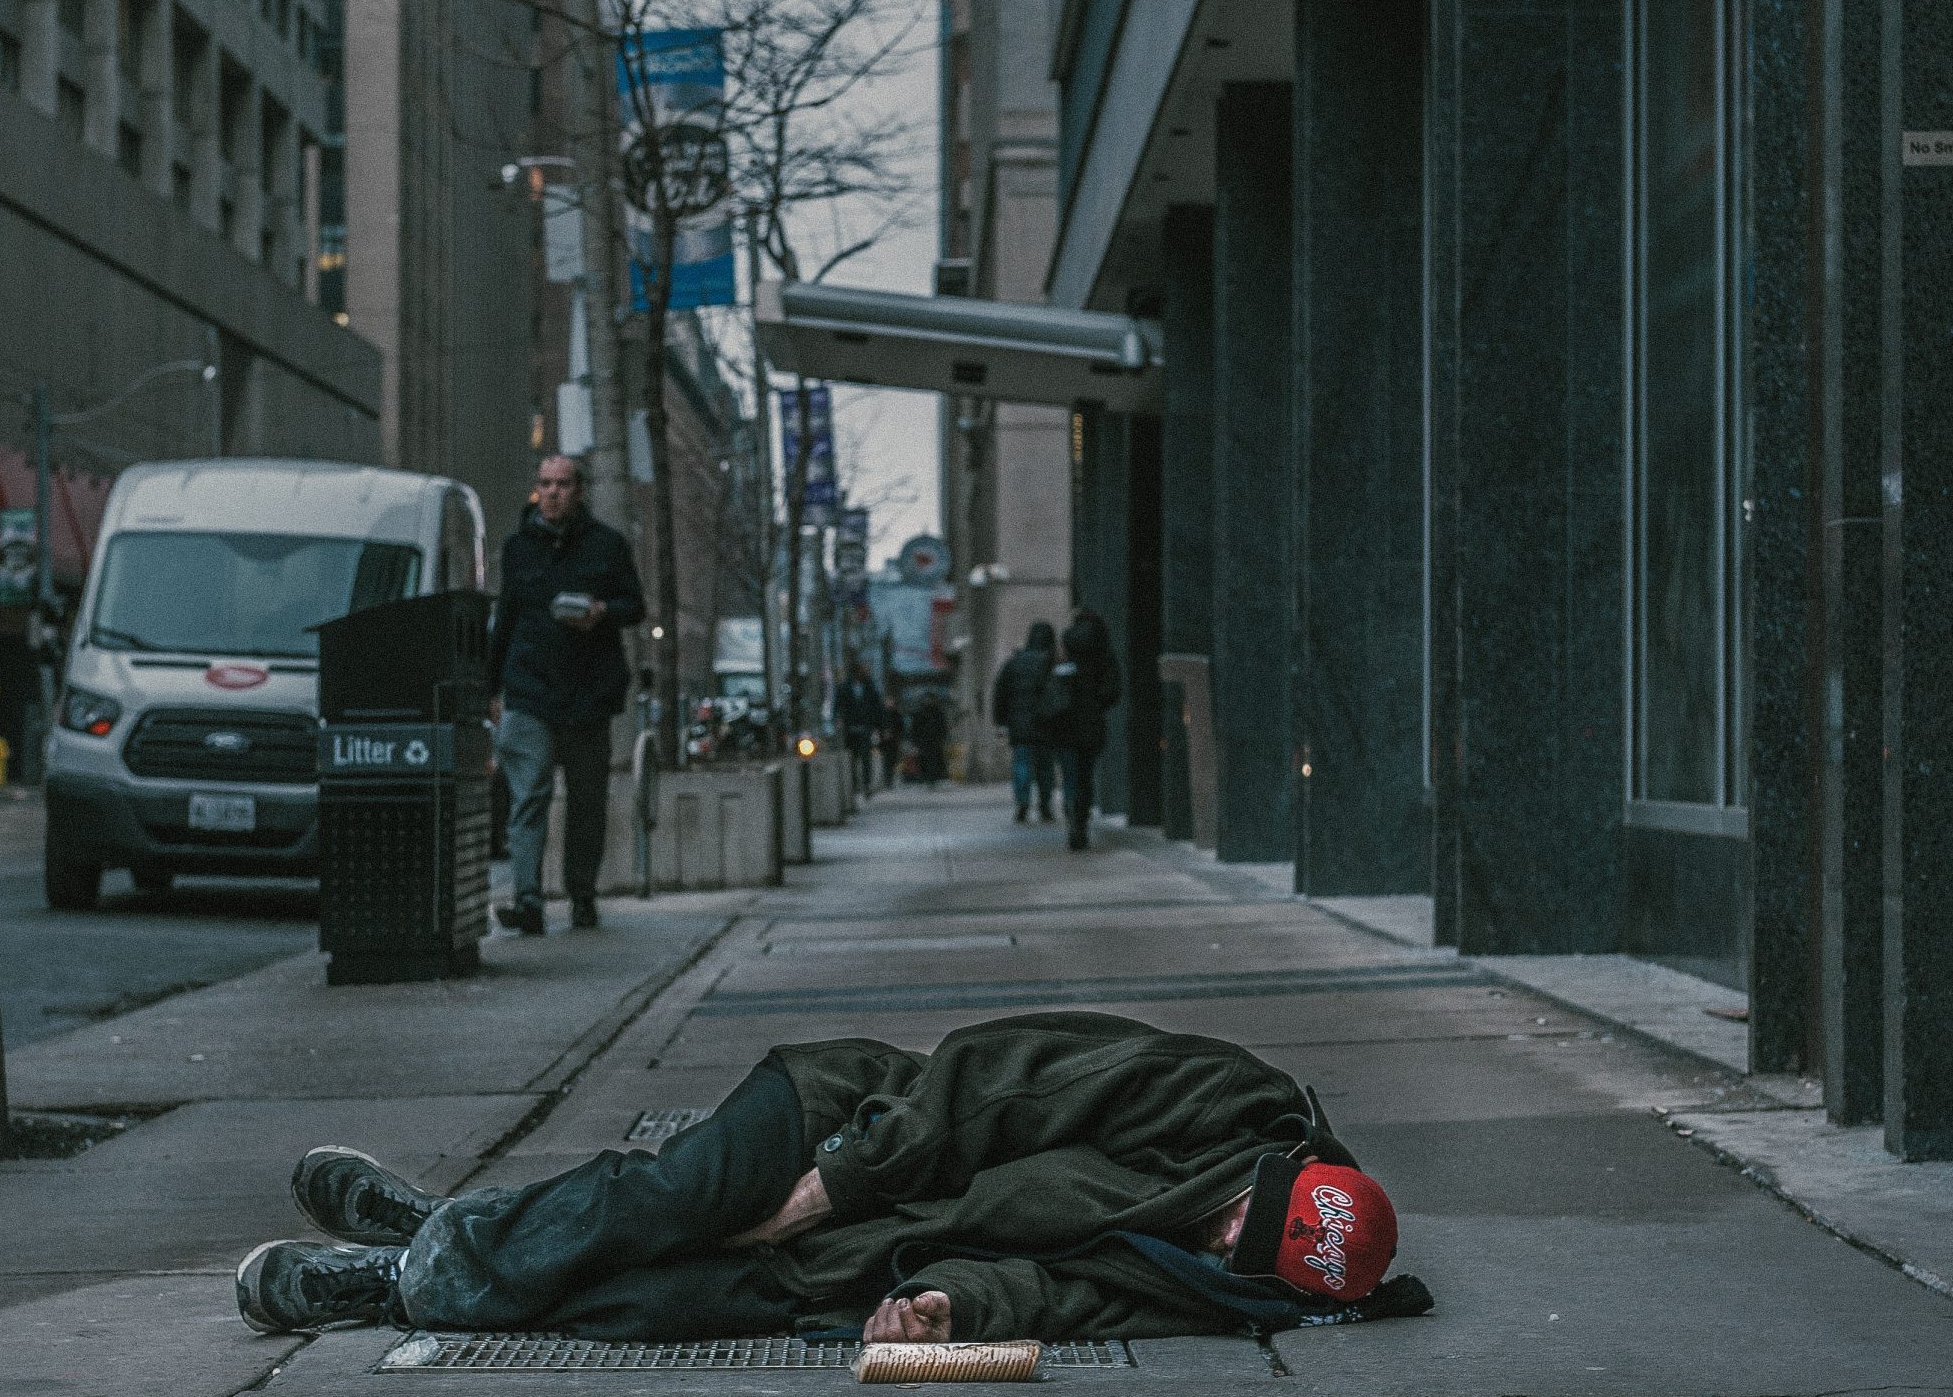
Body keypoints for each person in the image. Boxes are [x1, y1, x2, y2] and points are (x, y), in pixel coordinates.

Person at [234, 1012, 1432, 1341]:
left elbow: (1081, 1299)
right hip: (850, 1122)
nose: (1219, 1244)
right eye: (1239, 1218)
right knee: (668, 1204)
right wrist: (836, 1179)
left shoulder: (1229, 1288)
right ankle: (398, 1279)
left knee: (652, 1303)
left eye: (1245, 1257)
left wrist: (956, 1310)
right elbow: (997, 1081)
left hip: (868, 1254)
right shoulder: (1220, 1097)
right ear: (1277, 1168)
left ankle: (439, 1230)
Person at [485, 454, 646, 935]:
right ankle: (528, 898)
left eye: (563, 484)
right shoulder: (518, 548)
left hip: (587, 692)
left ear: (580, 491)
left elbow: (634, 606)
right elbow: (506, 619)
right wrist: (490, 688)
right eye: (545, 484)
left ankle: (582, 894)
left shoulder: (607, 546)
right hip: (530, 688)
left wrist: (602, 610)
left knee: (586, 802)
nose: (552, 492)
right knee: (528, 794)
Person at [1042, 608, 1123, 850]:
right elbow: (1113, 690)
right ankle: (1081, 819)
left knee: (1069, 774)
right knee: (1085, 776)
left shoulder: (1063, 651)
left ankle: (1071, 815)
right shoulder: (1104, 654)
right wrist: (1097, 703)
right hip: (1090, 722)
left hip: (1063, 723)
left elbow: (1046, 686)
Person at [991, 621, 1058, 824]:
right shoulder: (1051, 663)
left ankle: (1022, 801)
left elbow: (1000, 694)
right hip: (1046, 723)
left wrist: (1001, 721)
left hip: (1019, 724)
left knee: (1022, 764)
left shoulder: (1014, 663)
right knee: (1046, 766)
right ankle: (1045, 805)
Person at [835, 662, 884, 798]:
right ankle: (853, 784)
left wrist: (880, 726)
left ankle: (866, 784)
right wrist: (839, 720)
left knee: (866, 756)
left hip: (866, 726)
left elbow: (877, 707)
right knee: (852, 757)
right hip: (850, 727)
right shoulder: (844, 687)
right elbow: (838, 705)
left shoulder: (870, 687)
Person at [908, 689, 950, 786]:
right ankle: (928, 778)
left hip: (934, 740)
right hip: (924, 741)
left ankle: (933, 778)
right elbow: (915, 729)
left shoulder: (938, 713)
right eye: (927, 699)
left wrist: (942, 738)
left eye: (930, 699)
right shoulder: (919, 713)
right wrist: (915, 742)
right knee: (925, 760)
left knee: (934, 760)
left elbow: (942, 727)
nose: (928, 701)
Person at [876, 696, 904, 789]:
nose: (889, 703)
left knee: (892, 760)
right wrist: (883, 733)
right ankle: (887, 779)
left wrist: (895, 735)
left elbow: (901, 728)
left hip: (894, 741)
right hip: (884, 741)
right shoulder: (881, 714)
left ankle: (890, 779)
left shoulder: (897, 714)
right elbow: (878, 726)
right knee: (885, 760)